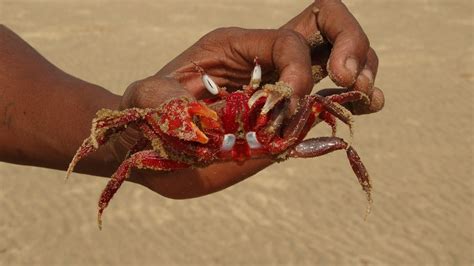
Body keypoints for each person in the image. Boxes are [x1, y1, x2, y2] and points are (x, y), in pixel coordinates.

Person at [0, 1, 384, 199]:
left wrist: (122, 144)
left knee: (324, 106)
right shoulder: (192, 130)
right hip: (198, 144)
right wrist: (140, 144)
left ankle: (366, 192)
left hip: (266, 138)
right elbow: (130, 151)